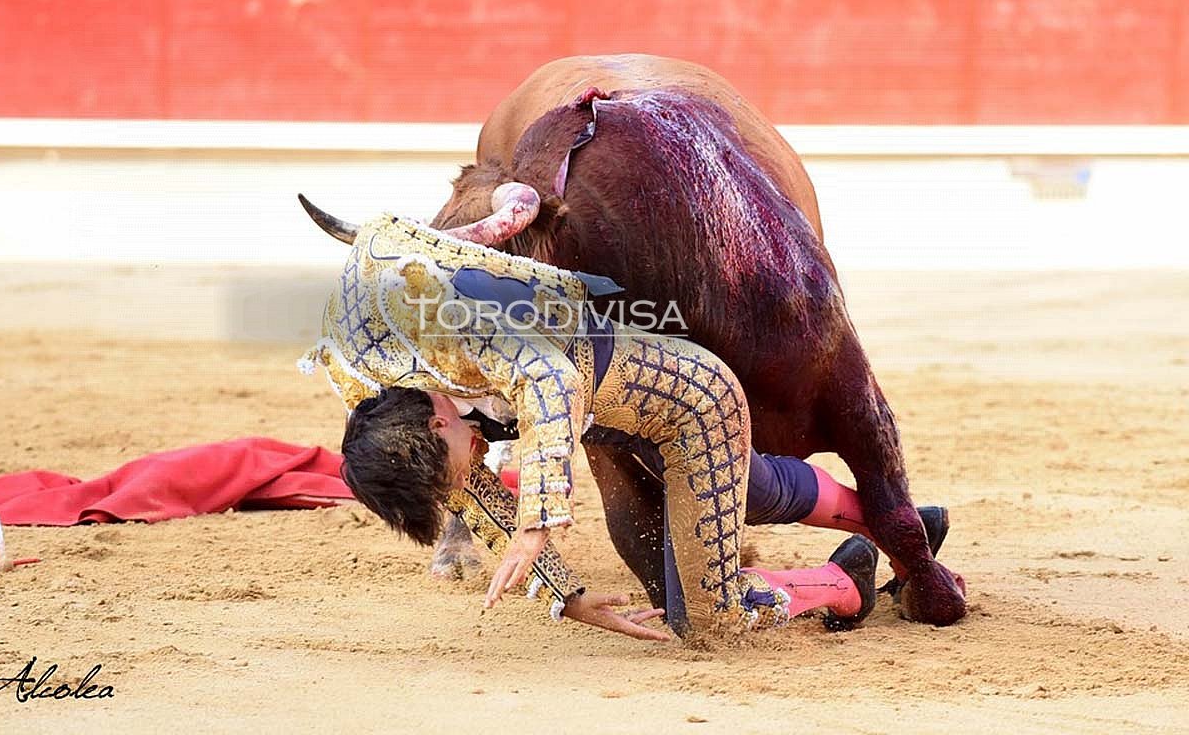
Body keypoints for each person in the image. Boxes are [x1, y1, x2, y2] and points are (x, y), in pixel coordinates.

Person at [297, 196, 955, 640]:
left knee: (709, 608)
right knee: (733, 519)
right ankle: (875, 552)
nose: (478, 468)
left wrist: (537, 522)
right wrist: (569, 597)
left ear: (437, 422)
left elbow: (549, 379)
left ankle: (855, 573)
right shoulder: (370, 391)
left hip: (689, 405)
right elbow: (466, 488)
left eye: (462, 461)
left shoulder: (446, 330)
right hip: (613, 410)